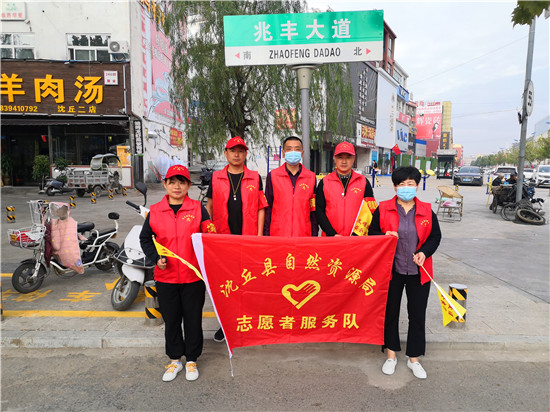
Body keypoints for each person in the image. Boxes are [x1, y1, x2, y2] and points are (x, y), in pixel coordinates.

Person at [140, 165, 216, 382]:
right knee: (172, 320)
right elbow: (145, 239)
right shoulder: (155, 211)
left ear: (188, 185)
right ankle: (175, 360)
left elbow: (209, 236)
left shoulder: (198, 209)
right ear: (165, 184)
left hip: (193, 277)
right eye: (172, 182)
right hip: (166, 278)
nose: (176, 186)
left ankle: (191, 360)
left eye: (181, 182)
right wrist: (156, 258)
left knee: (193, 319)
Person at [369, 166, 441, 380]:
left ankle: (414, 358)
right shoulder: (383, 209)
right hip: (391, 271)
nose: (406, 188)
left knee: (417, 314)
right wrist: (384, 235)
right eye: (402, 184)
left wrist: (424, 252)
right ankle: (391, 355)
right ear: (395, 187)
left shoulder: (427, 210)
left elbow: (435, 237)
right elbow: (372, 233)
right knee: (389, 312)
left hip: (419, 271)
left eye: (410, 184)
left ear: (417, 186)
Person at [206, 136, 268, 342]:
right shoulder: (216, 178)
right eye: (233, 151)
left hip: (247, 239)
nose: (236, 154)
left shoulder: (254, 177)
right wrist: (209, 233)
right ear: (226, 153)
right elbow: (209, 207)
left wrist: (259, 236)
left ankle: (248, 321)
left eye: (241, 151)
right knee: (225, 284)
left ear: (245, 154)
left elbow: (260, 207)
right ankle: (225, 324)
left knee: (249, 282)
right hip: (222, 241)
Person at [315, 142, 377, 236]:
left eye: (348, 157)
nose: (344, 161)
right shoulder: (324, 182)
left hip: (357, 239)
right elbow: (319, 212)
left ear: (354, 159)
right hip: (330, 238)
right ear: (335, 159)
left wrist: (356, 235)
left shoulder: (363, 182)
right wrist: (332, 234)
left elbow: (370, 211)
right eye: (340, 157)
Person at [263, 136, 318, 237]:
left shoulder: (310, 177)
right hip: (278, 234)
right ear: (283, 153)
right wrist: (266, 234)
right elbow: (268, 207)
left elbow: (313, 209)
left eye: (297, 149)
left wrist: (314, 234)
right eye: (289, 149)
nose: (293, 152)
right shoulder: (273, 176)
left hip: (303, 235)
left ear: (302, 153)